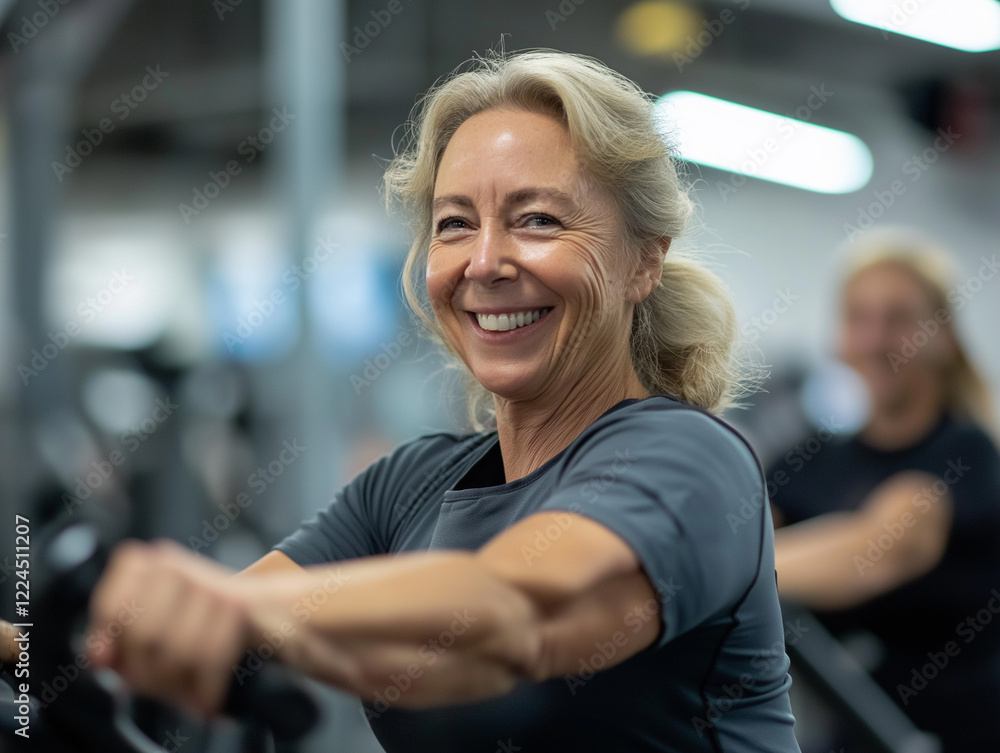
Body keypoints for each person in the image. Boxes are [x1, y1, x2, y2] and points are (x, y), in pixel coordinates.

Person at [2, 50, 800, 752]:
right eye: (456, 224)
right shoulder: (411, 485)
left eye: (539, 219)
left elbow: (510, 615)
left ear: (642, 263)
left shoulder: (690, 457)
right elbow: (230, 621)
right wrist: (36, 644)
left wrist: (231, 607)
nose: (485, 261)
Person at [768, 234, 1000, 751]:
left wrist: (707, 572)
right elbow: (738, 529)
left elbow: (881, 550)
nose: (875, 340)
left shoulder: (966, 454)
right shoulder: (810, 461)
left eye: (898, 320)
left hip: (961, 734)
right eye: (858, 318)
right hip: (847, 737)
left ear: (941, 336)